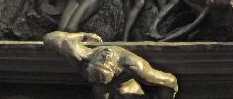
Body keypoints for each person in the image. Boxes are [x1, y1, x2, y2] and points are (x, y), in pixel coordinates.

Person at [44, 31, 178, 99]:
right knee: (99, 92)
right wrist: (84, 35)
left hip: (127, 94)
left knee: (124, 93)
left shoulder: (135, 66)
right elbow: (50, 37)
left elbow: (170, 81)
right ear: (90, 63)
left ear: (116, 70)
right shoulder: (80, 54)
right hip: (102, 93)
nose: (106, 55)